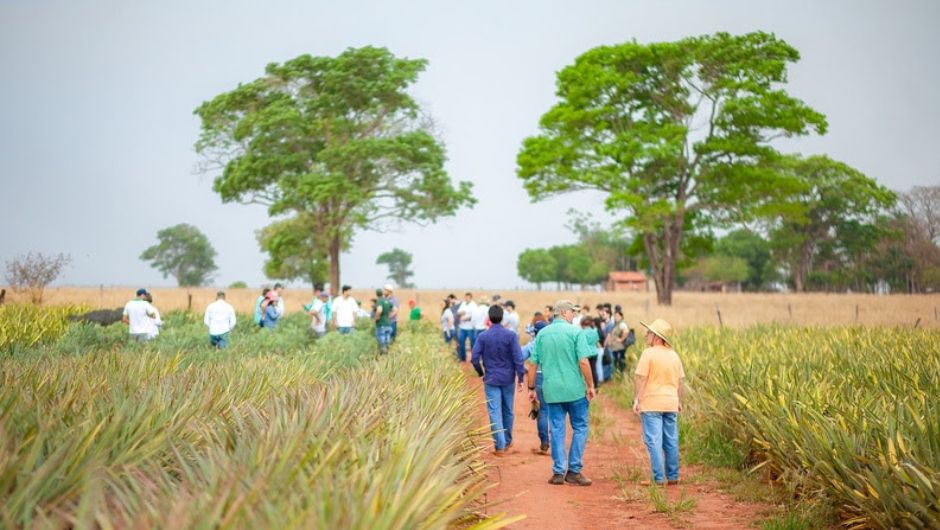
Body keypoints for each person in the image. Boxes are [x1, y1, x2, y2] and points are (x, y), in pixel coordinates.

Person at [526, 300, 596, 486]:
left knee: (556, 428)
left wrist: (531, 388)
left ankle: (558, 472)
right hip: (575, 391)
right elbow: (583, 361)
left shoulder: (542, 334)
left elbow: (533, 363)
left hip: (552, 391)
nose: (574, 316)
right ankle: (574, 470)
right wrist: (590, 385)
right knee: (580, 427)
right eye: (573, 312)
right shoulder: (576, 333)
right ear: (564, 313)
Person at [633, 318, 686, 487]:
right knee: (671, 440)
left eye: (648, 333)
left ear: (657, 337)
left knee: (654, 441)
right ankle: (673, 476)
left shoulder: (648, 353)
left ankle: (658, 478)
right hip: (671, 403)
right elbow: (681, 382)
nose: (646, 336)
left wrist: (637, 399)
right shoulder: (674, 355)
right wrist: (679, 401)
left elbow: (641, 378)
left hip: (651, 403)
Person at [472, 304, 525, 456]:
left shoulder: (483, 336)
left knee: (495, 412)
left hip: (491, 378)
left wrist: (481, 372)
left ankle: (500, 446)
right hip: (508, 378)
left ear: (489, 318)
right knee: (508, 410)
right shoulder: (511, 335)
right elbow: (518, 358)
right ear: (502, 317)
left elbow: (475, 358)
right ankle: (507, 441)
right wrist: (520, 376)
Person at [521, 319, 550, 454]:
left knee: (542, 411)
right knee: (556, 412)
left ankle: (544, 442)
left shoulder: (533, 344)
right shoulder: (553, 343)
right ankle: (557, 443)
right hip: (554, 377)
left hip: (538, 376)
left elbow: (520, 356)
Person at [579, 316, 600, 388]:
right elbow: (597, 342)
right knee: (594, 369)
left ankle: (589, 385)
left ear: (582, 324)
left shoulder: (582, 333)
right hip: (595, 353)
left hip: (587, 353)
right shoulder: (594, 331)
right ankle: (596, 385)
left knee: (587, 370)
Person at [607, 310, 630, 375]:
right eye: (615, 316)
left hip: (620, 347)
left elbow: (626, 331)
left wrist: (621, 339)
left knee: (620, 362)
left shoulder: (622, 324)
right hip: (615, 347)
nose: (616, 317)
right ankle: (618, 374)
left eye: (617, 316)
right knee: (616, 361)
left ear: (621, 316)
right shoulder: (616, 324)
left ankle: (621, 375)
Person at [455, 293, 477, 362]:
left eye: (467, 297)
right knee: (461, 342)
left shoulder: (473, 305)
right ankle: (463, 358)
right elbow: (458, 313)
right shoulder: (463, 304)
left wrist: (464, 317)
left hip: (470, 327)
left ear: (470, 298)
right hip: (462, 327)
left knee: (472, 343)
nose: (466, 298)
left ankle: (473, 358)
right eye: (465, 297)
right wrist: (462, 313)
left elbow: (473, 316)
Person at [373, 288, 393, 354]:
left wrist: (375, 318)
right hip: (388, 324)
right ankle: (388, 354)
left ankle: (383, 354)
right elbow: (394, 309)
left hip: (381, 324)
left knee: (382, 341)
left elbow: (379, 310)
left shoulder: (379, 301)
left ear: (376, 294)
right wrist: (389, 316)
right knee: (387, 340)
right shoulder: (387, 301)